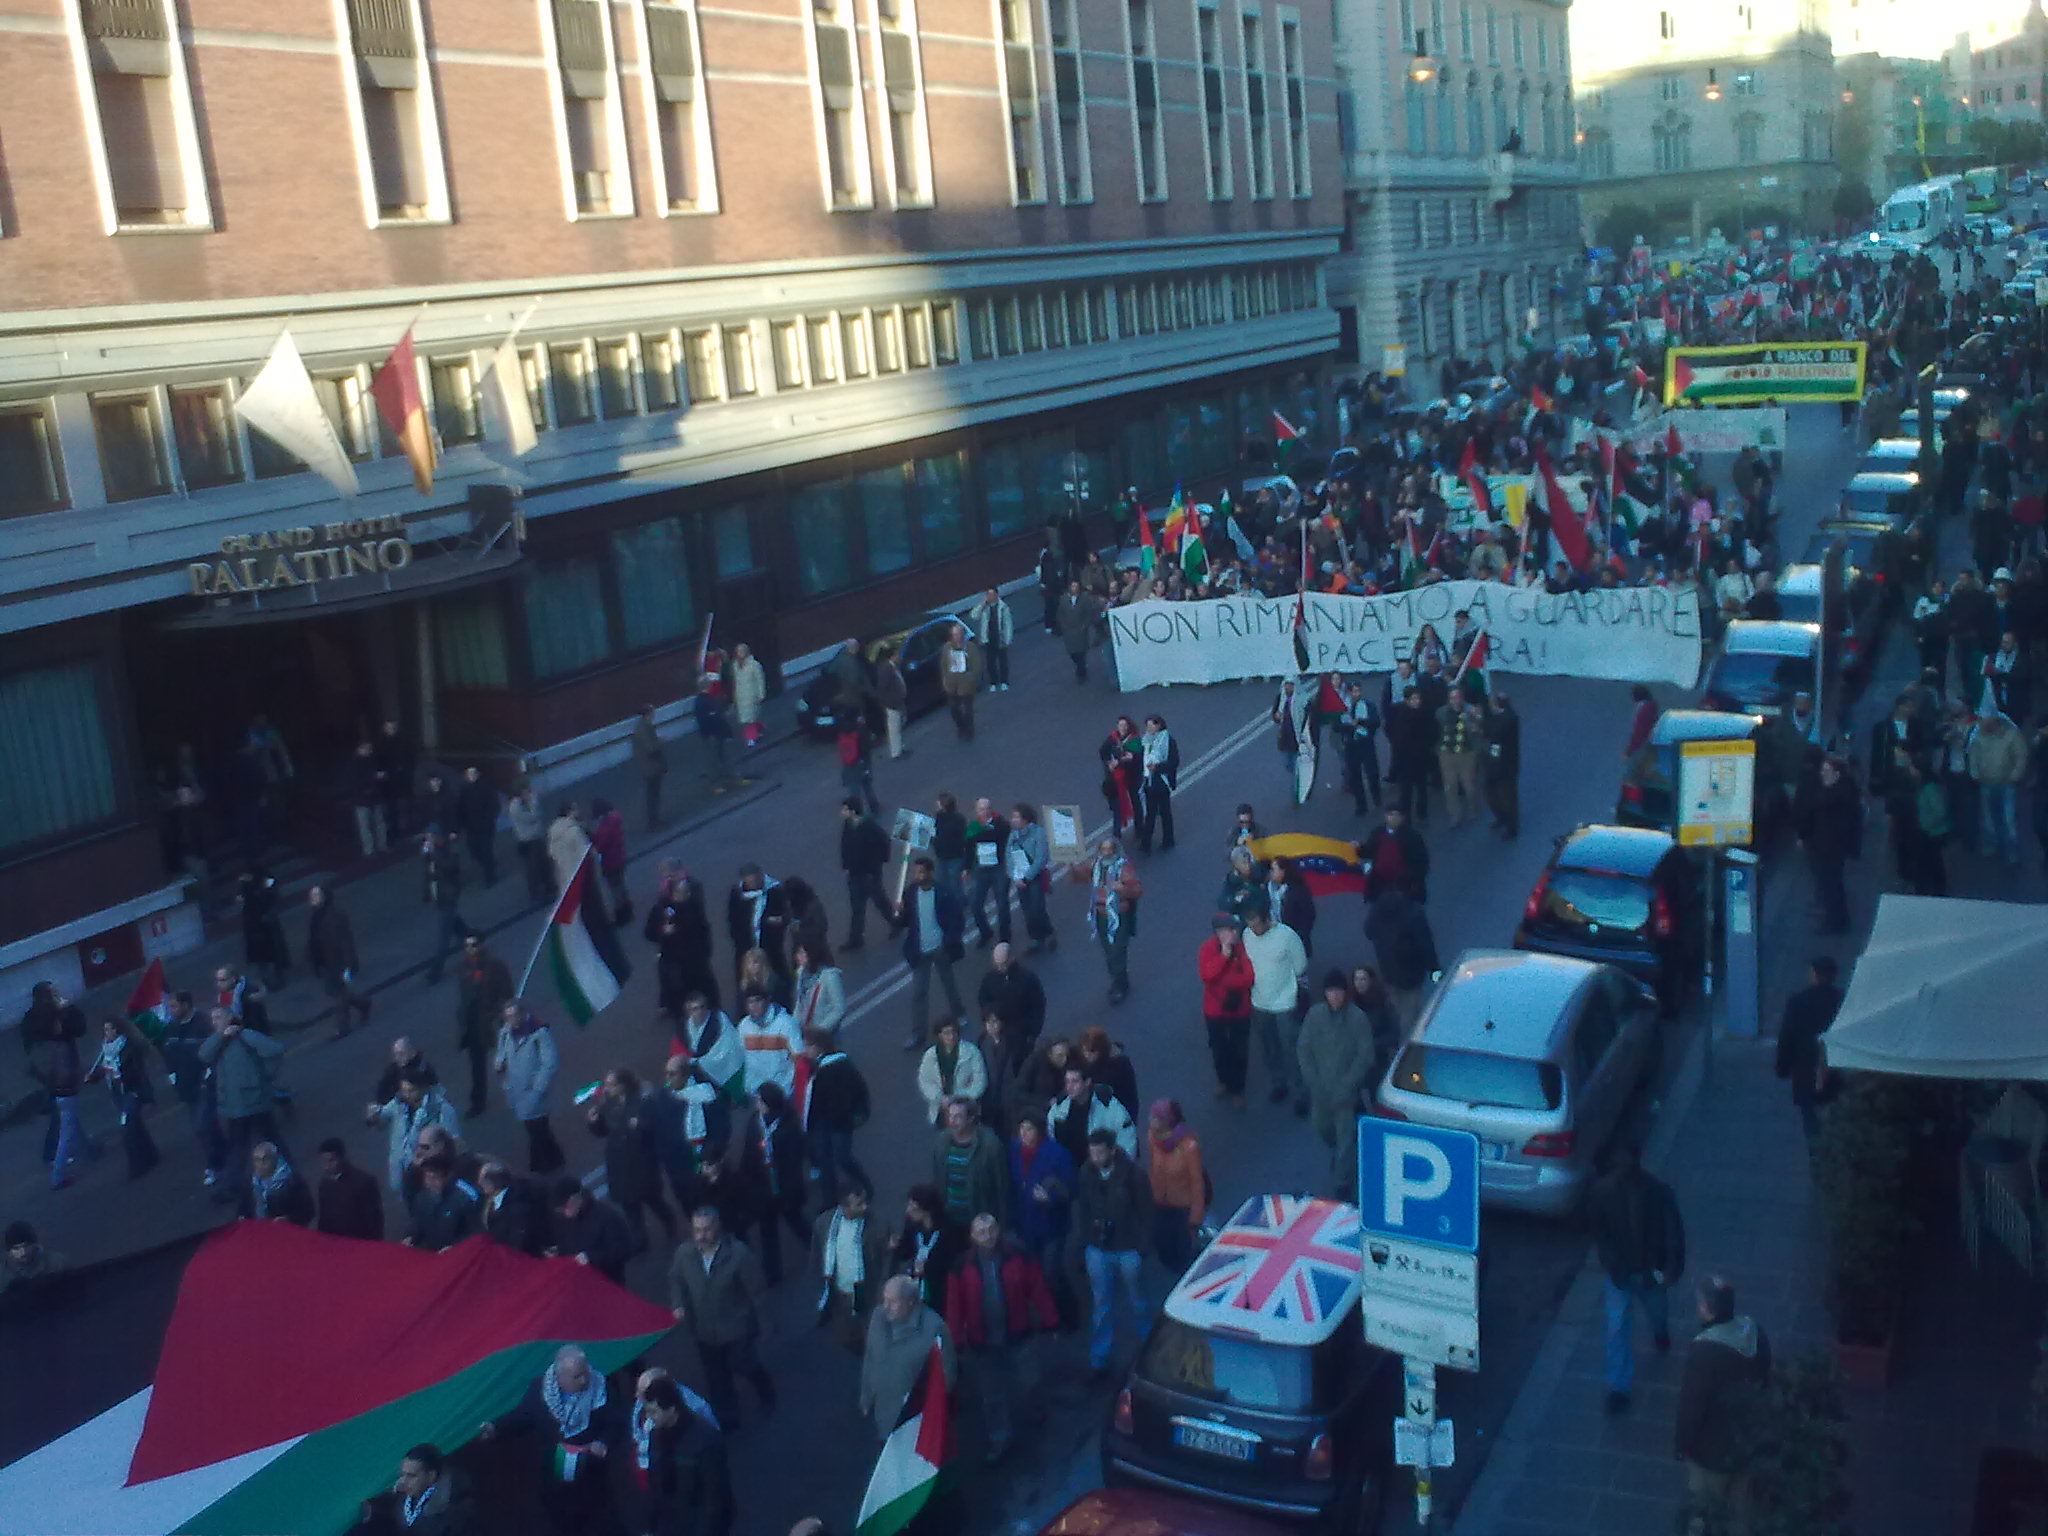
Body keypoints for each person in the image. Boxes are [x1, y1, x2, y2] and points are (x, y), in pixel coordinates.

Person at [945, 1213, 1057, 1462]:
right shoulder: (961, 1266)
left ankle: (1036, 1412)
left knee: (1031, 1380)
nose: (988, 1236)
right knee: (991, 1394)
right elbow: (955, 1305)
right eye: (981, 1232)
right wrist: (956, 1339)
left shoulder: (1018, 1256)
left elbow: (1037, 1287)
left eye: (991, 1230)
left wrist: (1050, 1319)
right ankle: (1000, 1438)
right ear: (972, 1236)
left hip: (1018, 1333)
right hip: (983, 1341)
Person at [478, 1346, 623, 1536]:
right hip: (554, 1473)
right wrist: (496, 1428)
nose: (584, 1380)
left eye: (585, 1372)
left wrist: (603, 1443)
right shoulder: (541, 1389)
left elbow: (616, 1423)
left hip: (591, 1473)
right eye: (577, 1376)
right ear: (560, 1377)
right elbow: (524, 1416)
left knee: (597, 1519)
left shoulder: (602, 1388)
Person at [1588, 1142, 1686, 1415]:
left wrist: (1669, 1266)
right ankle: (1619, 1386)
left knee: (1654, 1311)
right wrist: (1611, 1263)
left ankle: (1660, 1332)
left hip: (1647, 1270)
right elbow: (1600, 1234)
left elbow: (1672, 1232)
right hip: (1623, 1271)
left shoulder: (1657, 1192)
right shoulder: (1604, 1193)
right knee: (1617, 1327)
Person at [669, 1206, 777, 1428]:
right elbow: (676, 1280)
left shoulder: (739, 1255)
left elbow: (757, 1292)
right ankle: (728, 1417)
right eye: (697, 1230)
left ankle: (764, 1388)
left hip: (736, 1327)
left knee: (745, 1365)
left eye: (706, 1229)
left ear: (718, 1227)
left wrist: (764, 1325)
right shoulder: (684, 1254)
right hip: (703, 1329)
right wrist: (678, 1304)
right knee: (716, 1377)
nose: (701, 1235)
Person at [1675, 1276, 1772, 1519]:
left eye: (1700, 1304)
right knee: (1741, 1511)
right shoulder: (1754, 1331)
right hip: (1747, 1440)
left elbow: (1692, 1407)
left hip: (1712, 1450)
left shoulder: (1704, 1352)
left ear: (1708, 1310)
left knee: (1706, 1511)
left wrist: (1682, 1444)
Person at [1072, 1130, 1153, 1378]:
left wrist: (1142, 1246)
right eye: (1092, 1152)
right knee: (1102, 1304)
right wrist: (1085, 1237)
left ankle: (1149, 1350)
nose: (1095, 1157)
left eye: (1099, 1152)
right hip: (1098, 1246)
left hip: (1127, 1247)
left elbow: (1146, 1213)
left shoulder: (1134, 1175)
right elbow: (1081, 1206)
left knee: (1138, 1301)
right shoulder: (1086, 1173)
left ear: (1112, 1150)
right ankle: (1100, 1358)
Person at [1295, 970, 1375, 1196]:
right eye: (1331, 992)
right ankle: (1341, 1155)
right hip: (1320, 1090)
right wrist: (1311, 1079)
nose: (1335, 996)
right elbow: (1304, 1048)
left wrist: (1349, 1083)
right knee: (1322, 1127)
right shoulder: (1315, 1016)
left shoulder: (1357, 1018)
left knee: (1345, 1136)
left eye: (1339, 991)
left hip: (1346, 1092)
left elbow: (1365, 1055)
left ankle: (1343, 1179)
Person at [201, 1006, 287, 1209]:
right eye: (212, 1018)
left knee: (269, 1140)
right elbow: (204, 1054)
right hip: (234, 1106)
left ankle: (284, 1174)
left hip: (254, 1102)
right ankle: (234, 1184)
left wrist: (266, 1077)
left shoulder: (246, 1035)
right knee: (241, 1146)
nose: (215, 1021)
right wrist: (221, 1035)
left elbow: (275, 1050)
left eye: (218, 1017)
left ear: (230, 1017)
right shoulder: (218, 1041)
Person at [861, 1275, 958, 1440]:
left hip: (914, 1422)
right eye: (885, 1300)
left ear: (911, 1302)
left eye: (893, 1302)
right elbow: (870, 1358)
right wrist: (866, 1397)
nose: (886, 1307)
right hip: (883, 1412)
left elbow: (946, 1377)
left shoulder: (935, 1329)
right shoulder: (878, 1317)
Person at [591, 1067, 676, 1252]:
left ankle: (669, 1220)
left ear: (623, 1085)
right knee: (630, 1208)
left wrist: (641, 1126)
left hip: (641, 1163)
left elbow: (656, 1127)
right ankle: (640, 1241)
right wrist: (594, 1121)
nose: (607, 1089)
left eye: (611, 1085)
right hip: (619, 1164)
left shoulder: (642, 1102)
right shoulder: (607, 1104)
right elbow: (603, 1131)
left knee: (654, 1200)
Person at [637, 1376, 734, 1536]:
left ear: (672, 1409)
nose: (649, 1417)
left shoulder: (706, 1440)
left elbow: (714, 1497)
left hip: (701, 1523)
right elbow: (656, 1486)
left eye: (653, 1412)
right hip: (673, 1522)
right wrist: (651, 1528)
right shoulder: (655, 1436)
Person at [1242, 908, 1307, 1113]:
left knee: (1291, 1049)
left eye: (1256, 924)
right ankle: (1279, 1082)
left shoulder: (1287, 936)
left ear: (1268, 918)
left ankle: (1300, 1093)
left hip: (1285, 1003)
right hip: (1259, 1002)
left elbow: (1300, 966)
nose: (1253, 929)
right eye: (1249, 924)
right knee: (1268, 1047)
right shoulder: (1247, 935)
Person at [900, 854, 967, 1051]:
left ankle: (959, 1013)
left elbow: (957, 919)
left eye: (921, 872)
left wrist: (949, 941)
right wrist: (896, 912)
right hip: (920, 950)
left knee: (949, 983)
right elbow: (904, 921)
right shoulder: (910, 893)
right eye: (915, 872)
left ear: (930, 873)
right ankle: (917, 1033)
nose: (917, 876)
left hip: (940, 948)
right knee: (919, 993)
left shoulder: (943, 893)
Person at [816, 1184, 894, 1352]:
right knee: (846, 1334)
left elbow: (887, 1260)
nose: (865, 1207)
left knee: (873, 1333)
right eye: (859, 1204)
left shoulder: (878, 1224)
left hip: (867, 1290)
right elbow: (817, 1256)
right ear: (844, 1206)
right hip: (840, 1291)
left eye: (865, 1201)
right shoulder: (823, 1224)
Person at [801, 1026, 871, 1206]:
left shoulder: (839, 1066)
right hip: (821, 1122)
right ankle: (829, 1201)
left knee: (842, 1157)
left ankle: (864, 1185)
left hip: (840, 1122)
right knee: (825, 1163)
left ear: (819, 1047)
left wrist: (855, 1114)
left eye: (808, 1045)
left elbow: (858, 1091)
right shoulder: (812, 1066)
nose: (804, 1049)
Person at [1775, 957, 1843, 1140]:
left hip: (1806, 1071)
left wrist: (1782, 1067)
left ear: (1814, 974)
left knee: (1811, 1124)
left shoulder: (1798, 1002)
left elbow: (1787, 1038)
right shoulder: (1842, 1001)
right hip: (1835, 1069)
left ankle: (1817, 1157)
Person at [84, 1015, 158, 1180]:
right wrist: (93, 1077)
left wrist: (141, 1092)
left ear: (118, 1029)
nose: (107, 1033)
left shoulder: (129, 1047)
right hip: (118, 1093)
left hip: (131, 1091)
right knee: (136, 1126)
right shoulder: (107, 1049)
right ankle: (152, 1156)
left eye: (110, 1029)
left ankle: (137, 1166)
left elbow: (139, 1072)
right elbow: (105, 1070)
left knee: (128, 1130)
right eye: (105, 1030)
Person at [495, 1003, 566, 1175]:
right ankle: (555, 1158)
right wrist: (499, 1063)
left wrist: (538, 1087)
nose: (512, 1021)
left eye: (514, 1015)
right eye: (508, 1017)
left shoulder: (539, 1034)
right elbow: (501, 1054)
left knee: (537, 1128)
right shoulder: (505, 1033)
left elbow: (550, 1062)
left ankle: (542, 1163)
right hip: (516, 1090)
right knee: (536, 1127)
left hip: (533, 1091)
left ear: (523, 1014)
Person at [1196, 915, 1257, 1106]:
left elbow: (1248, 978)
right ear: (1218, 933)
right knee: (1219, 1048)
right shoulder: (1207, 949)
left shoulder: (1244, 948)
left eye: (1233, 931)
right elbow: (1206, 974)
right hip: (1215, 1011)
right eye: (1227, 931)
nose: (1231, 934)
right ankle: (1223, 1080)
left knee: (1240, 1050)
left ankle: (1238, 1088)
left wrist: (1223, 981)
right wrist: (1224, 956)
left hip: (1240, 1009)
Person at [367, 1071, 461, 1193]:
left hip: (428, 1172)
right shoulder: (398, 1104)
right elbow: (381, 1120)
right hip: (401, 1168)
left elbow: (453, 1143)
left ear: (422, 1089)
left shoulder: (442, 1109)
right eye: (403, 1090)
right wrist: (373, 1117)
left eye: (411, 1091)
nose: (406, 1095)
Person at [647, 864, 720, 1017]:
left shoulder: (693, 905)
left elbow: (703, 928)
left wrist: (706, 951)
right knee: (680, 997)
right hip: (676, 964)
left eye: (687, 892)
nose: (687, 895)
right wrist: (662, 932)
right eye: (683, 892)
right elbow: (649, 933)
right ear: (674, 893)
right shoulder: (661, 910)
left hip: (697, 960)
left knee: (708, 993)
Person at [452, 933, 511, 1118]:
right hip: (473, 1023)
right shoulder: (464, 967)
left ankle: (519, 1087)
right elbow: (464, 995)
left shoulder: (495, 966)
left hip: (491, 1021)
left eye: (474, 944)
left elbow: (507, 993)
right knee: (476, 1064)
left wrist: (503, 1016)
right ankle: (478, 1101)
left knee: (506, 1057)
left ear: (482, 945)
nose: (470, 949)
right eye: (467, 946)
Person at [1366, 886, 1440, 1032]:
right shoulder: (1414, 913)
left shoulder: (1378, 908)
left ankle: (1397, 1033)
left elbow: (1368, 931)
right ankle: (1408, 1048)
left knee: (1397, 1006)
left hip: (1388, 970)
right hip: (1410, 973)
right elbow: (1425, 944)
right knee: (1410, 1015)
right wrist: (1434, 969)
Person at [1145, 1101, 1207, 1275]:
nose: (1150, 1120)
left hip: (1182, 1205)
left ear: (1167, 1120)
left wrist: (1196, 1216)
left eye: (1156, 1117)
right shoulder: (1152, 1137)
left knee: (1182, 1245)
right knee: (1162, 1239)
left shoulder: (1188, 1146)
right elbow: (1153, 1167)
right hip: (1160, 1201)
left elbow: (1197, 1181)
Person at [932, 1094, 1008, 1227]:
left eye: (958, 1117)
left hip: (979, 1223)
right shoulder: (941, 1143)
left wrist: (1002, 1223)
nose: (952, 1121)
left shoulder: (990, 1146)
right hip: (949, 1221)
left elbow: (1002, 1188)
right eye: (950, 1116)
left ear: (971, 1118)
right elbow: (938, 1180)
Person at [306, 884, 372, 1036]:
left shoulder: (335, 915)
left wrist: (348, 965)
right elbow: (313, 939)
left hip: (338, 961)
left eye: (316, 895)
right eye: (312, 896)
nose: (312, 899)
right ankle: (363, 1004)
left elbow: (345, 941)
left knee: (338, 995)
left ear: (324, 897)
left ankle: (343, 1027)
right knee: (336, 992)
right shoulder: (316, 915)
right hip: (325, 961)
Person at [837, 798, 898, 952]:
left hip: (869, 873)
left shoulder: (869, 826)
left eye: (844, 809)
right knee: (857, 907)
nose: (841, 813)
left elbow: (884, 842)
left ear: (852, 811)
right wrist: (846, 865)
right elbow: (845, 846)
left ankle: (895, 923)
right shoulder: (848, 825)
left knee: (880, 901)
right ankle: (856, 938)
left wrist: (878, 864)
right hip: (855, 872)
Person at [1087, 836, 1142, 1006]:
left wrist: (1123, 889)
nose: (1106, 852)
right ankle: (1119, 979)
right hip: (1101, 913)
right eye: (1103, 849)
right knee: (1108, 949)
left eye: (1109, 849)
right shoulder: (1095, 865)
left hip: (1118, 913)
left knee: (1117, 949)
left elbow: (1137, 890)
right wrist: (1072, 866)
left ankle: (1119, 984)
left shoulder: (1123, 867)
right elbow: (1080, 874)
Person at [1969, 707, 2028, 864]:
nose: (1979, 723)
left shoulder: (2011, 735)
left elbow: (2021, 756)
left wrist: (2014, 776)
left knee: (2008, 820)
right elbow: (1973, 756)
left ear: (1993, 720)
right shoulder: (1978, 736)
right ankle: (1992, 844)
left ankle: (2011, 850)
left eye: (1982, 719)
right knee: (1988, 818)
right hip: (1986, 783)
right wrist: (1975, 774)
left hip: (2006, 784)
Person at [549, 1175, 634, 1282]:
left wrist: (590, 1258)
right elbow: (565, 1241)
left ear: (574, 1199)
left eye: (564, 1208)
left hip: (607, 1281)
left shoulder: (606, 1217)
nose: (564, 1214)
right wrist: (558, 1252)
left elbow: (623, 1250)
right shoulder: (564, 1219)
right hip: (581, 1280)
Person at [895, 1183, 965, 1312]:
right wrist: (896, 1247)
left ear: (927, 1209)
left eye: (913, 1207)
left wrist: (927, 1267)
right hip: (917, 1285)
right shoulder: (912, 1226)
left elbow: (953, 1261)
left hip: (941, 1289)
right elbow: (905, 1252)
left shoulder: (950, 1230)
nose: (908, 1210)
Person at [727, 865, 793, 993]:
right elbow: (733, 920)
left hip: (770, 946)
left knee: (779, 978)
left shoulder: (774, 890)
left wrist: (777, 922)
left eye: (756, 880)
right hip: (746, 948)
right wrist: (740, 943)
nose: (754, 884)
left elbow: (786, 915)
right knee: (747, 983)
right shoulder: (737, 894)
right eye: (750, 881)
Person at [919, 1019, 989, 1128]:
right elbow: (925, 1081)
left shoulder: (971, 1052)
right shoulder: (930, 1056)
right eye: (946, 1033)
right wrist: (939, 1098)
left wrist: (960, 1098)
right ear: (939, 1035)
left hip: (966, 1109)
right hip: (942, 1109)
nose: (951, 1036)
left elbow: (979, 1081)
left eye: (953, 1032)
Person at [1434, 686, 1485, 828]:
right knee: (1450, 786)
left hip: (1466, 753)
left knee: (1469, 785)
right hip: (1447, 754)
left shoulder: (1470, 712)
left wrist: (1476, 719)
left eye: (1457, 697)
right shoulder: (1441, 713)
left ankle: (1473, 808)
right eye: (1452, 698)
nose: (1455, 701)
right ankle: (1454, 816)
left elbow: (1480, 729)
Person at [316, 1137, 386, 1241]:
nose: (327, 1166)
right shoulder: (324, 1185)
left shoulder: (364, 1182)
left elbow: (374, 1221)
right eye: (324, 1161)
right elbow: (324, 1219)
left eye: (331, 1160)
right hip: (336, 1245)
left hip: (360, 1243)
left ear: (342, 1158)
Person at [1008, 803, 1056, 952]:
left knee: (1037, 909)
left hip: (1034, 877)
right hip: (1019, 878)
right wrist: (1014, 876)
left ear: (1026, 819)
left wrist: (1027, 878)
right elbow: (1008, 857)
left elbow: (1040, 858)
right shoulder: (1013, 835)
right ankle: (1035, 937)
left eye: (1016, 817)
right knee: (1027, 910)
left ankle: (1048, 932)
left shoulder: (1038, 833)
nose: (1013, 820)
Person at [406, 1152, 478, 1250]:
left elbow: (474, 1234)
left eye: (435, 1178)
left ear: (447, 1177)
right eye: (427, 1178)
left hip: (457, 1256)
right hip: (432, 1256)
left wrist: (454, 1246)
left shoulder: (463, 1199)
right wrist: (411, 1237)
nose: (431, 1183)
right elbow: (418, 1226)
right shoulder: (421, 1199)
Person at [420, 834, 466, 987]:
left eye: (431, 839)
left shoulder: (447, 855)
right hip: (441, 899)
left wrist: (430, 854)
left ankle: (435, 972)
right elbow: (430, 876)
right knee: (455, 924)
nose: (428, 842)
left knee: (443, 937)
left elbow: (448, 868)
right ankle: (472, 936)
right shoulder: (433, 857)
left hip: (448, 898)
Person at [1361, 803, 1430, 903]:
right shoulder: (1377, 833)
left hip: (1404, 885)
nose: (1393, 818)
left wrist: (1412, 880)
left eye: (1397, 815)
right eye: (1391, 814)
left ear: (1403, 818)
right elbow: (1369, 851)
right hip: (1381, 883)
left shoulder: (1412, 836)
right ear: (1385, 816)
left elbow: (1421, 862)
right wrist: (1358, 848)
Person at [1135, 714, 1180, 854]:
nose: (1148, 729)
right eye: (1147, 726)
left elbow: (1173, 762)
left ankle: (1168, 840)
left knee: (1165, 813)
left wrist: (1158, 768)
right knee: (1150, 814)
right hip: (1149, 781)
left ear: (1159, 725)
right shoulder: (1146, 741)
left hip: (1161, 782)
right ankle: (1146, 843)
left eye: (1151, 726)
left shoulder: (1169, 741)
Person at [1338, 681, 1382, 815]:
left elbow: (1376, 722)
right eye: (1354, 691)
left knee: (1372, 773)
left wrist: (1361, 722)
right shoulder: (1342, 708)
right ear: (1349, 693)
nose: (1357, 694)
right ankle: (1361, 804)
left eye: (1358, 691)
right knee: (1354, 776)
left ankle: (1377, 798)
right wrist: (1349, 727)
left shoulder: (1368, 705)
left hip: (1365, 743)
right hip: (1351, 744)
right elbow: (1336, 726)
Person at [1484, 689, 1522, 839]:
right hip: (1494, 762)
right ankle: (1501, 816)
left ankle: (1512, 827)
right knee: (1490, 791)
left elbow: (1492, 733)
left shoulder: (1509, 719)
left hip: (1506, 765)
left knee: (1508, 797)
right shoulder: (1504, 716)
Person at [249, 1140, 315, 1225]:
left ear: (275, 1159)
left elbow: (308, 1210)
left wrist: (288, 1219)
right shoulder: (253, 1181)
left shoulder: (292, 1180)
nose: (260, 1164)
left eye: (265, 1159)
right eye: (257, 1160)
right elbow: (246, 1204)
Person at [456, 766, 501, 887]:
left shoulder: (485, 788)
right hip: (471, 827)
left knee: (487, 850)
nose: (472, 776)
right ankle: (489, 865)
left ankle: (490, 877)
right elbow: (460, 809)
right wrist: (461, 825)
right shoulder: (463, 791)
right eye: (469, 774)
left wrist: (490, 818)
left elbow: (494, 804)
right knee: (474, 851)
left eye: (474, 773)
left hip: (486, 826)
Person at [939, 622, 983, 739]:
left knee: (967, 709)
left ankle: (968, 730)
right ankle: (961, 726)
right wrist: (944, 678)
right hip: (951, 684)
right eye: (954, 634)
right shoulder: (947, 648)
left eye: (959, 634)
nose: (957, 637)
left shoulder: (970, 647)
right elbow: (944, 665)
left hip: (966, 684)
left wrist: (971, 676)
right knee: (954, 709)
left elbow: (977, 664)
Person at [2, 1221, 66, 1300]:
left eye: (26, 1246)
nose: (23, 1252)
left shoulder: (57, 1263)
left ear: (34, 1245)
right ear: (9, 1251)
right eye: (16, 1248)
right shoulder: (3, 1276)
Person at [694, 678, 736, 784]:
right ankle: (718, 780)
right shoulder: (705, 700)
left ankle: (725, 777)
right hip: (713, 733)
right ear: (707, 686)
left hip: (713, 733)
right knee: (715, 758)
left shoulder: (701, 700)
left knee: (718, 756)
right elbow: (713, 717)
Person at [634, 704, 669, 828]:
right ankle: (653, 821)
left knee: (653, 794)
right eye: (653, 712)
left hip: (649, 766)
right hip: (650, 767)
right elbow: (651, 749)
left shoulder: (643, 727)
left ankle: (654, 820)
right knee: (653, 795)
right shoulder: (644, 728)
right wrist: (660, 742)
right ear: (648, 714)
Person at [1057, 579, 1098, 682]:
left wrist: (1084, 625)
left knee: (1081, 652)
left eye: (1077, 586)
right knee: (1072, 653)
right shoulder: (1063, 599)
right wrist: (1063, 626)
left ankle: (1081, 672)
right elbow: (1060, 613)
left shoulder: (1084, 599)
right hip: (1069, 631)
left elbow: (1089, 613)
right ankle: (1080, 666)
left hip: (1080, 630)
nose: (1075, 589)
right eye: (1073, 586)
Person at [731, 642, 768, 748]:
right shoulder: (735, 665)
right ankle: (759, 729)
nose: (739, 654)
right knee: (749, 717)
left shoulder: (754, 665)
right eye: (738, 652)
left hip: (752, 694)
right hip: (741, 695)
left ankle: (751, 738)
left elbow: (760, 680)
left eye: (741, 651)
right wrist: (735, 697)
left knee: (749, 719)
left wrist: (761, 695)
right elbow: (735, 682)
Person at [1625, 684, 1658, 758]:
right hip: (1650, 745)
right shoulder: (1652, 708)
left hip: (1643, 748)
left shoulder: (1643, 709)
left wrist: (1629, 751)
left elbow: (1639, 731)